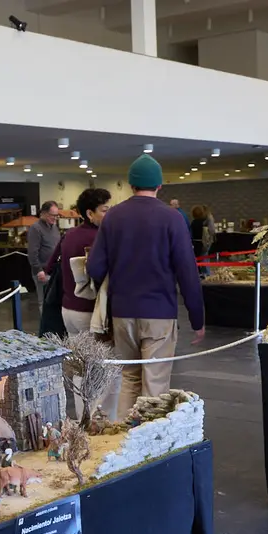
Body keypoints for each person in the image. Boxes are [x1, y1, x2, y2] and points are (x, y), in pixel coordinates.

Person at [87, 154, 204, 415]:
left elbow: (94, 267)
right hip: (159, 314)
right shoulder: (172, 218)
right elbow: (187, 272)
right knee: (155, 386)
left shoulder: (113, 217)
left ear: (130, 185)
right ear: (160, 186)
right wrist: (198, 319)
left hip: (122, 313)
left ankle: (124, 442)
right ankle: (148, 450)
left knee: (129, 379)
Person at [46, 187, 119, 421]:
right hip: (90, 313)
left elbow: (49, 265)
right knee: (105, 370)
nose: (109, 214)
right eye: (105, 210)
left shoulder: (70, 235)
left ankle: (84, 417)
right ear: (90, 213)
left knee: (82, 367)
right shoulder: (97, 238)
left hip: (69, 309)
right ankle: (102, 421)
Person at [27, 201, 61, 306]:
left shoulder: (54, 228)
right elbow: (32, 253)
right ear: (44, 213)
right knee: (44, 302)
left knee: (54, 302)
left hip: (54, 271)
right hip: (42, 273)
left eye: (57, 215)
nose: (55, 218)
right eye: (53, 215)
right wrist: (39, 270)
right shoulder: (35, 228)